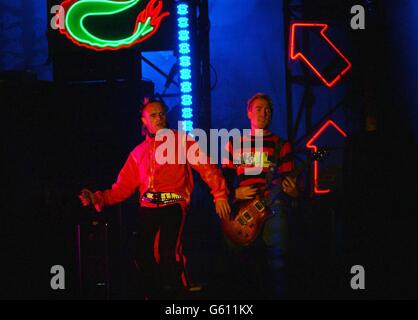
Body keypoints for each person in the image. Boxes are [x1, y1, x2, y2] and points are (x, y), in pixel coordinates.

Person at [79, 98, 230, 299]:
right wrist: (99, 198)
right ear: (144, 121)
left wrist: (219, 194)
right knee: (142, 255)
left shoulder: (181, 141)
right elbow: (122, 188)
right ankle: (155, 293)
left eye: (161, 114)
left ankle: (180, 294)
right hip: (148, 206)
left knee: (168, 252)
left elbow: (206, 166)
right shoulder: (138, 153)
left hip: (173, 202)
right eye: (153, 115)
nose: (158, 118)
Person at [220, 93, 298, 299]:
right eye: (259, 109)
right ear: (248, 113)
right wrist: (234, 193)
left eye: (268, 110)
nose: (264, 113)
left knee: (278, 261)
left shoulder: (282, 146)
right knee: (243, 265)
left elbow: (291, 184)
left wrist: (294, 192)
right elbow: (222, 182)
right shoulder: (234, 144)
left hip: (273, 206)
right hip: (243, 211)